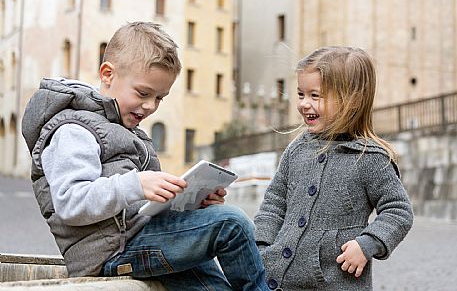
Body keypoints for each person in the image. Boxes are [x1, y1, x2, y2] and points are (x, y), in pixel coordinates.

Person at [21, 22, 269, 291]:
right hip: (113, 253)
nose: (150, 105)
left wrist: (193, 202)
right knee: (231, 224)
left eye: (160, 97)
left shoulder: (126, 131)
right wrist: (137, 184)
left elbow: (140, 209)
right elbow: (70, 202)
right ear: (107, 74)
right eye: (143, 93)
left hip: (142, 239)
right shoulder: (73, 131)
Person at [254, 46, 414, 291]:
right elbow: (274, 202)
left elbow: (398, 211)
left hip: (337, 282)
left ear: (351, 100)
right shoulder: (296, 150)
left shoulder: (370, 158)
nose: (304, 104)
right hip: (278, 279)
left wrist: (367, 244)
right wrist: (262, 244)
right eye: (300, 94)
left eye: (315, 96)